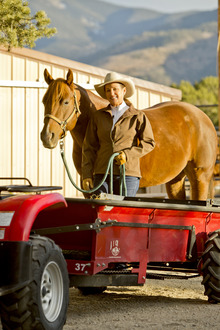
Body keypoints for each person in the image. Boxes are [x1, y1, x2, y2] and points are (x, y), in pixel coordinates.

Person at [82, 72, 155, 197]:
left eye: (115, 89)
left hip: (127, 174)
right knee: (102, 210)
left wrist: (127, 154)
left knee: (123, 212)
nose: (112, 93)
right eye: (108, 90)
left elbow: (149, 143)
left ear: (124, 90)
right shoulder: (98, 117)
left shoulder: (138, 116)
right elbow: (89, 147)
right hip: (102, 174)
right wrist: (87, 175)